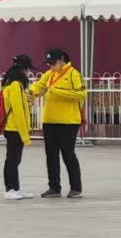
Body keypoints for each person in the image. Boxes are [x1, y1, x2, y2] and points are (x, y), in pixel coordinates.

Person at [30, 47, 87, 199]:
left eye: (53, 63)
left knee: (68, 155)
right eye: (48, 64)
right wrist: (30, 93)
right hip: (50, 120)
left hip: (68, 122)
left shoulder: (74, 74)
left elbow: (82, 93)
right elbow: (39, 86)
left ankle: (76, 188)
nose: (50, 66)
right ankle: (54, 187)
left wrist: (57, 91)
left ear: (61, 60)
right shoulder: (49, 74)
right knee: (51, 156)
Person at [0, 53, 34, 200]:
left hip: (14, 128)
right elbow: (18, 111)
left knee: (15, 160)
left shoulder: (15, 85)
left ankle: (15, 188)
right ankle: (10, 189)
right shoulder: (15, 86)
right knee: (12, 160)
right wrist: (25, 135)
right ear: (23, 70)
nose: (29, 73)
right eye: (28, 70)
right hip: (14, 129)